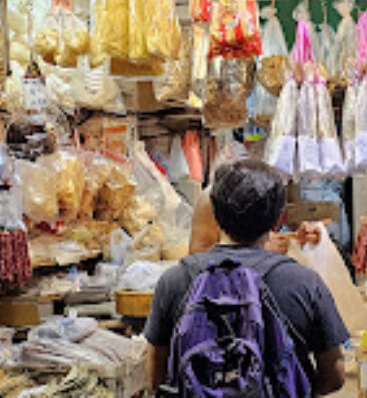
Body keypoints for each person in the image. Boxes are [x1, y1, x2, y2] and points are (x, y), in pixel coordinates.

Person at [145, 159, 349, 396]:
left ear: (216, 215)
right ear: (276, 219)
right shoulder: (303, 282)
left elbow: (154, 378)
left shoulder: (175, 280)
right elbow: (335, 375)